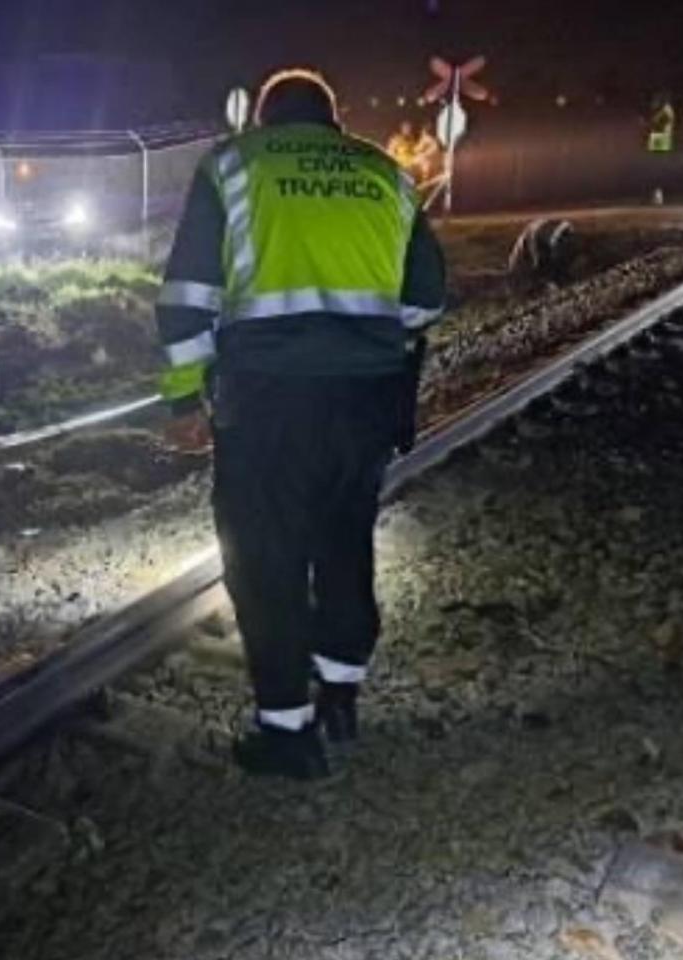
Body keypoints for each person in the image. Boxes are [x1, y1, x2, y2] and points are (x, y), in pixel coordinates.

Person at [155, 68, 448, 780]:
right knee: (344, 543)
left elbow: (189, 294)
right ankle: (341, 696)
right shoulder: (385, 173)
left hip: (265, 400)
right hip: (364, 398)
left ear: (263, 119)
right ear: (333, 119)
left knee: (265, 558)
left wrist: (183, 401)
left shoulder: (232, 167)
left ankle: (286, 732)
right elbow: (426, 300)